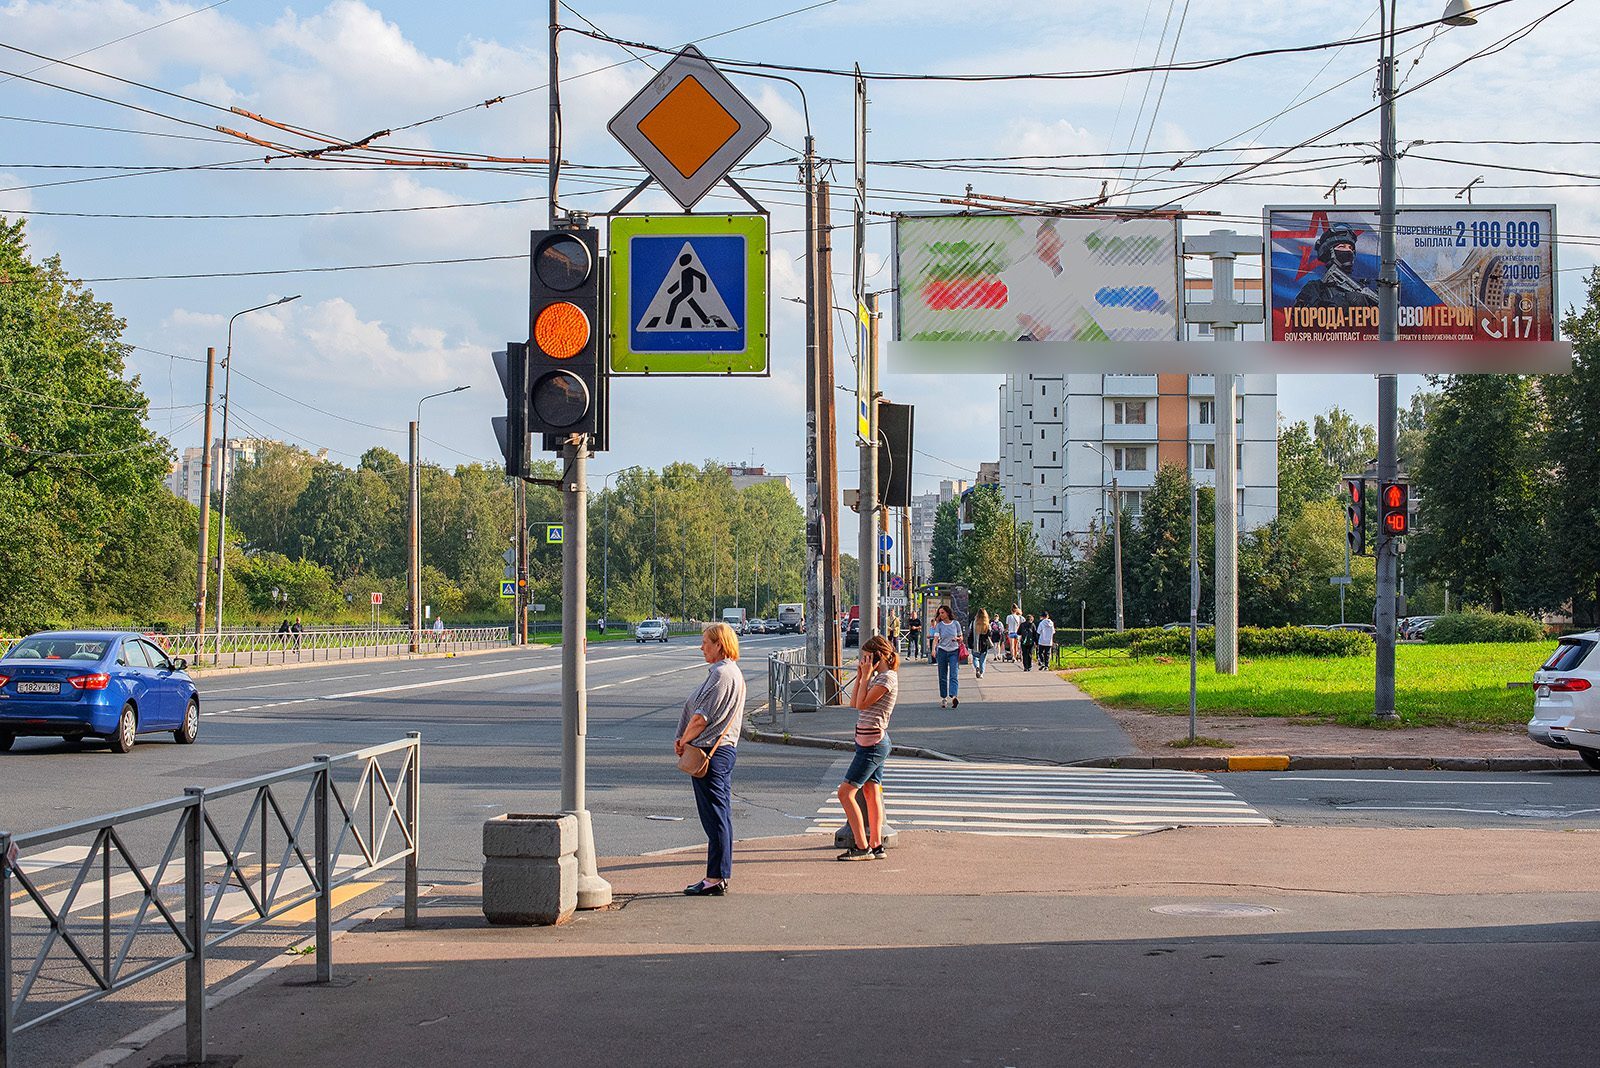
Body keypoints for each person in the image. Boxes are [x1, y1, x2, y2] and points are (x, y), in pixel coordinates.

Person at [676, 622, 747, 897]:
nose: (701, 646)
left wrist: (683, 740)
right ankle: (717, 874)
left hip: (711, 752)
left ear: (720, 644)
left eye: (706, 641)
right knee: (720, 815)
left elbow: (701, 716)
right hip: (721, 751)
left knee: (715, 816)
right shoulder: (731, 673)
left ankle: (716, 877)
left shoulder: (721, 674)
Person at [837, 635, 900, 861]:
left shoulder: (887, 679)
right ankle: (876, 844)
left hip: (873, 743)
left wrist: (866, 678)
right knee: (871, 792)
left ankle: (862, 847)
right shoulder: (875, 678)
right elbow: (854, 703)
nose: (863, 660)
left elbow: (863, 703)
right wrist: (861, 676)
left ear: (879, 656)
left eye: (867, 657)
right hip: (867, 741)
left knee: (845, 793)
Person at [1294, 223, 1378, 311]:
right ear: (1330, 252)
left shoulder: (1362, 287)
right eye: (1342, 247)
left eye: (1350, 248)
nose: (1348, 251)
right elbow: (1300, 315)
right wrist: (1341, 302)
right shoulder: (1316, 288)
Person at [929, 605, 962, 709]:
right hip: (942, 651)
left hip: (954, 651)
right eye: (939, 613)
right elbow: (935, 639)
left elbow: (961, 637)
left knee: (954, 674)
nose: (940, 615)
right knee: (942, 676)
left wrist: (957, 638)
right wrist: (933, 650)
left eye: (942, 613)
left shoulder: (956, 624)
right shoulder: (939, 625)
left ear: (948, 613)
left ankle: (954, 696)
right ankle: (944, 697)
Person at [966, 608, 994, 680]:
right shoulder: (987, 623)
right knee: (983, 660)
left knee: (975, 658)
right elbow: (990, 633)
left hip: (974, 643)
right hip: (984, 644)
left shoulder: (973, 622)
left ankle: (977, 667)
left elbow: (970, 632)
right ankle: (981, 673)